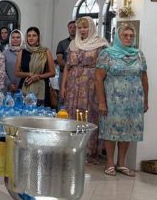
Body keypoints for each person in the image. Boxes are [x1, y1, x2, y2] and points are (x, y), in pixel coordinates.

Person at [95, 25, 148, 177]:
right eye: (125, 35)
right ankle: (109, 163)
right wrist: (102, 102)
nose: (128, 38)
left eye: (131, 35)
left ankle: (121, 163)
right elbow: (98, 79)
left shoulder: (139, 55)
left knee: (128, 131)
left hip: (134, 100)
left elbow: (144, 78)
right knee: (111, 130)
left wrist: (145, 100)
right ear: (118, 37)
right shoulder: (107, 54)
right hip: (113, 100)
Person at [61, 16, 109, 164]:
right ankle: (71, 149)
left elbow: (104, 68)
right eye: (80, 27)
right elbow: (67, 66)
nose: (82, 30)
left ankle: (89, 151)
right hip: (73, 85)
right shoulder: (73, 44)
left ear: (92, 27)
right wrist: (63, 86)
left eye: (85, 27)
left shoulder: (100, 44)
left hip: (91, 85)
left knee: (89, 116)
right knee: (72, 115)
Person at [16, 27, 55, 106]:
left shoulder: (45, 51)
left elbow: (52, 72)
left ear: (38, 38)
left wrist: (38, 76)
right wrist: (29, 74)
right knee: (24, 111)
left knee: (41, 112)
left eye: (34, 35)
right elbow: (17, 73)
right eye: (29, 35)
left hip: (42, 87)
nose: (31, 38)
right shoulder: (22, 52)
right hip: (25, 86)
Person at [56, 21, 76, 104]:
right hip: (64, 72)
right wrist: (68, 66)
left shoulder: (83, 43)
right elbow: (59, 59)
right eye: (70, 27)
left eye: (74, 27)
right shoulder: (62, 43)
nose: (72, 29)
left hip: (77, 74)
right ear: (68, 29)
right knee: (63, 95)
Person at [3, 29, 23, 93]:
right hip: (9, 87)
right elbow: (2, 70)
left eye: (18, 37)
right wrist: (9, 84)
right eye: (13, 37)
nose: (15, 39)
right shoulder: (5, 53)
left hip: (24, 86)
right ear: (10, 39)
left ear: (21, 39)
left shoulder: (26, 52)